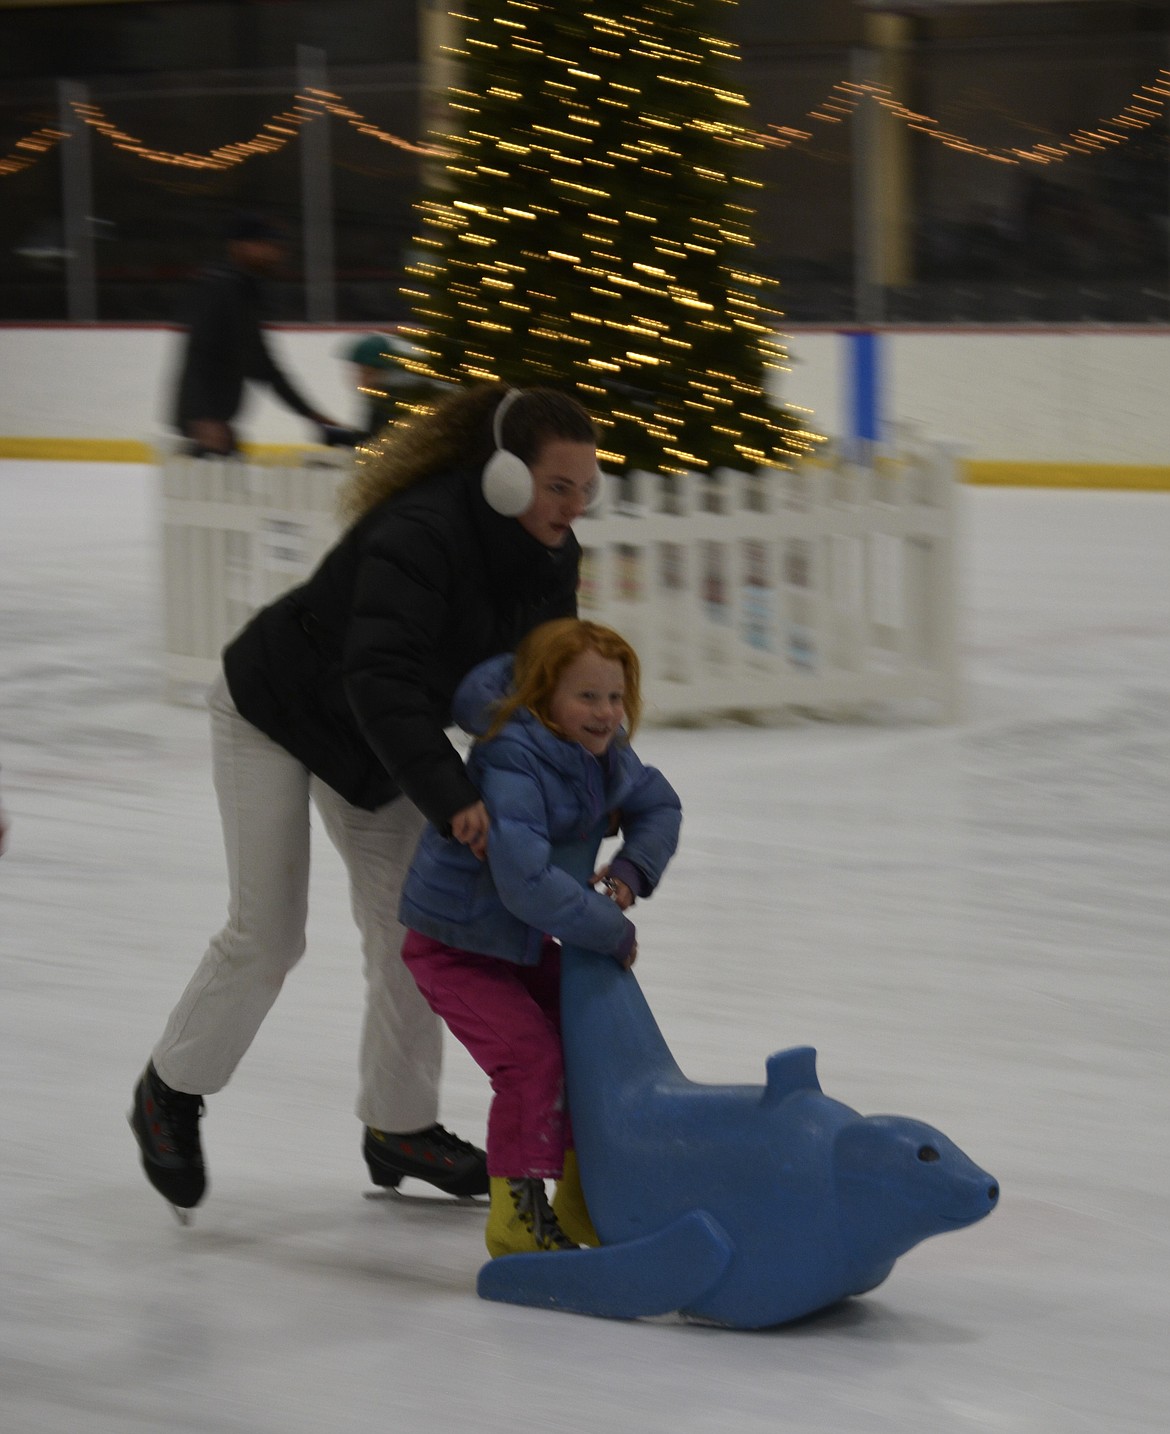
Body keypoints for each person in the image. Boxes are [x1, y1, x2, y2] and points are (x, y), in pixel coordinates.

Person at [131, 383, 600, 1216]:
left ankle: (399, 1125)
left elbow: (539, 688)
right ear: (502, 477)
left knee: (412, 931)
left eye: (585, 488)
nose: (573, 506)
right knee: (268, 933)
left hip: (378, 751)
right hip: (276, 712)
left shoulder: (552, 556)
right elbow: (380, 680)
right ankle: (171, 1089)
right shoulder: (419, 534)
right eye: (556, 486)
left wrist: (575, 782)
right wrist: (456, 799)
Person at [398, 619, 682, 1258]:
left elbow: (659, 805)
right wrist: (608, 928)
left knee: (588, 1040)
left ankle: (586, 1200)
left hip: (514, 944)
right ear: (542, 695)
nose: (605, 712)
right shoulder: (512, 760)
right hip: (454, 944)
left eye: (615, 697)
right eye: (587, 697)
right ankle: (516, 1218)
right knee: (529, 1059)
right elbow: (523, 881)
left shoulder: (602, 753)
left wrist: (631, 871)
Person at [172, 212, 342, 455]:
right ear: (241, 246)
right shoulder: (218, 287)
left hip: (219, 423)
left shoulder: (245, 289)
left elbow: (262, 366)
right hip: (206, 428)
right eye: (267, 245)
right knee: (208, 485)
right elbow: (200, 351)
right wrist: (201, 418)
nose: (277, 253)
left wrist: (310, 414)